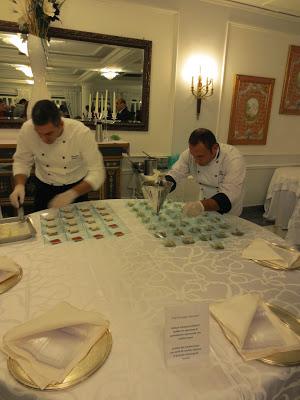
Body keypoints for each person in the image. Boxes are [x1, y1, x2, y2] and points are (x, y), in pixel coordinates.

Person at [9, 99, 105, 212]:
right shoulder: (27, 129)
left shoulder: (80, 133)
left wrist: (71, 194)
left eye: (49, 133)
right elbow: (22, 161)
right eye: (39, 134)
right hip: (44, 188)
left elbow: (97, 171)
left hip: (76, 189)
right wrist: (19, 185)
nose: (44, 139)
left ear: (61, 124)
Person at [165, 128, 246, 217]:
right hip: (205, 206)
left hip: (228, 210)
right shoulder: (190, 154)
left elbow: (227, 197)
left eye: (200, 157)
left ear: (214, 148)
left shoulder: (233, 159)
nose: (195, 161)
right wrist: (162, 188)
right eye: (193, 156)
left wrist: (200, 205)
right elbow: (175, 173)